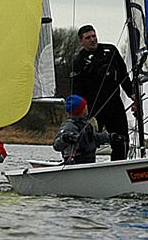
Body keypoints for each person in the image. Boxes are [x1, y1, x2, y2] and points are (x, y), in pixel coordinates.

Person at [70, 24, 133, 161]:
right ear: (81, 41)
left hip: (114, 106)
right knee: (86, 142)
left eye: (94, 36)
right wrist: (78, 111)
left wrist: (134, 97)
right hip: (93, 110)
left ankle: (118, 168)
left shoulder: (110, 51)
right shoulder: (78, 61)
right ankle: (84, 168)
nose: (92, 40)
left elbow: (123, 76)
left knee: (121, 141)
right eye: (88, 38)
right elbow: (76, 90)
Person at [53, 95, 111, 165]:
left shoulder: (85, 124)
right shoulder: (69, 126)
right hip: (76, 163)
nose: (87, 108)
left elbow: (93, 138)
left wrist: (109, 137)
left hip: (88, 162)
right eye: (85, 106)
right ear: (81, 110)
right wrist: (65, 138)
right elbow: (57, 145)